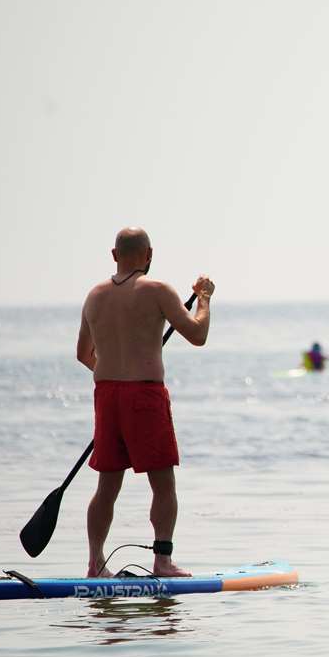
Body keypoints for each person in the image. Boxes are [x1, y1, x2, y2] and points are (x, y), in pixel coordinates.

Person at [76, 227, 214, 578]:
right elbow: (197, 335)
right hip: (144, 395)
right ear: (149, 255)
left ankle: (95, 563)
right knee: (163, 484)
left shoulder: (93, 296)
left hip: (106, 395)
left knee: (107, 485)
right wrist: (204, 299)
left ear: (113, 255)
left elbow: (82, 355)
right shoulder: (158, 291)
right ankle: (162, 561)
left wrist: (115, 376)